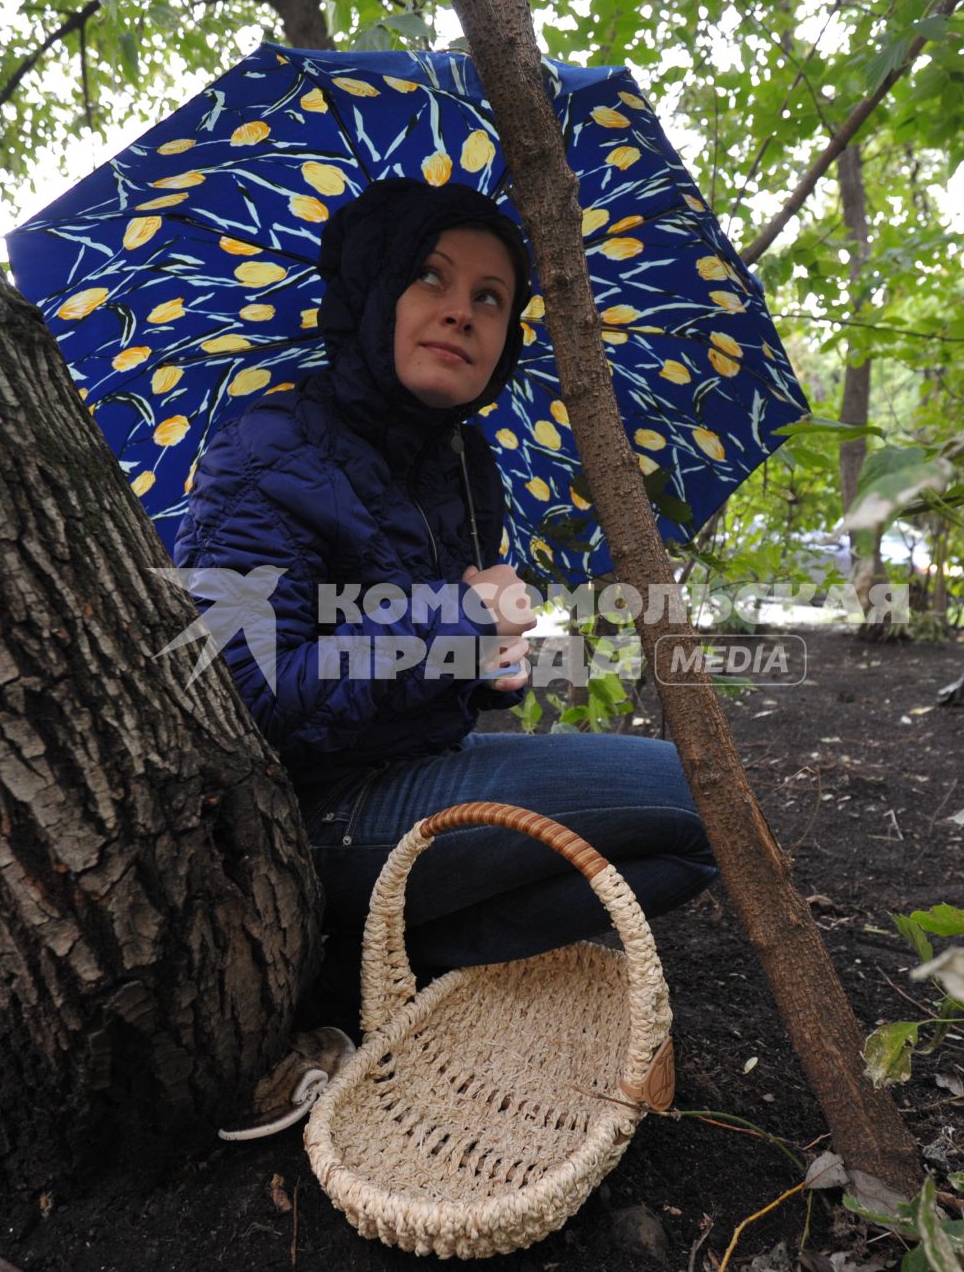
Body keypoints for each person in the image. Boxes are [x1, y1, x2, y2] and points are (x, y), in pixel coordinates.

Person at [174, 179, 716, 1131]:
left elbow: (422, 662)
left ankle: (360, 978)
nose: (462, 310)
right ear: (376, 293)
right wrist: (453, 622)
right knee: (699, 799)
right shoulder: (268, 445)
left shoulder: (464, 464)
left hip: (416, 771)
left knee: (692, 846)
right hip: (308, 812)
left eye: (492, 298)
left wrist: (492, 666)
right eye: (431, 277)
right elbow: (246, 698)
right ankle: (346, 971)